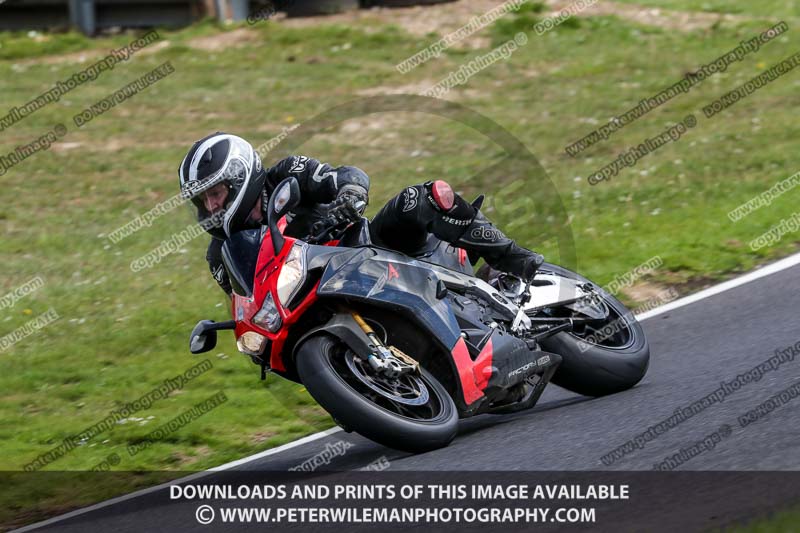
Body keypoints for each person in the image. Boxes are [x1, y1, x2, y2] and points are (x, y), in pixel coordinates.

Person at [178, 132, 543, 296]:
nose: (211, 207)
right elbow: (246, 302)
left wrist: (350, 194)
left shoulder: (287, 174)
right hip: (323, 297)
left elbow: (344, 176)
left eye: (215, 193)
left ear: (240, 177)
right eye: (203, 200)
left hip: (373, 249)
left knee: (422, 198)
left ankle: (515, 259)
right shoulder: (221, 254)